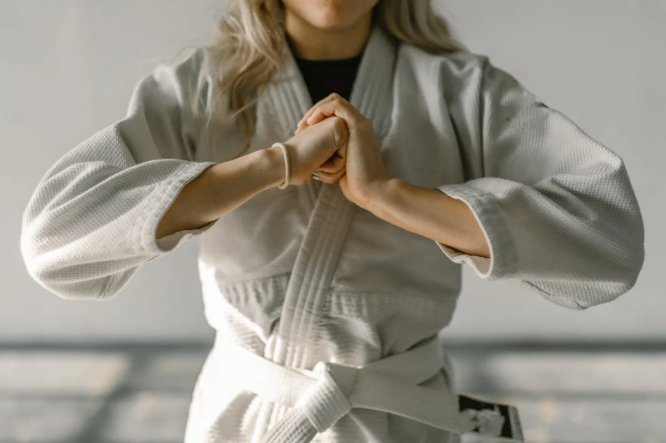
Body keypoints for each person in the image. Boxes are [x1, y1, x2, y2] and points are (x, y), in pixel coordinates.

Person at [20, 1, 645, 442]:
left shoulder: (461, 91)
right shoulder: (199, 89)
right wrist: (272, 164)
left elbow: (607, 241)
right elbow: (55, 238)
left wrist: (390, 195)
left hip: (401, 421)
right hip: (248, 420)